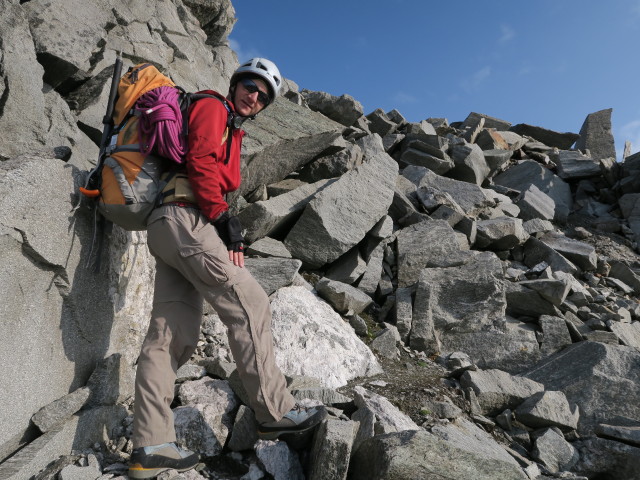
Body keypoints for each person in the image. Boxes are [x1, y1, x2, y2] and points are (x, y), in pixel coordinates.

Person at [128, 58, 327, 479]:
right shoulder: (213, 107)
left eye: (263, 95)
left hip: (168, 225)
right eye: (250, 86)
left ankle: (151, 445)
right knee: (250, 302)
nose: (253, 96)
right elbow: (199, 159)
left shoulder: (232, 129)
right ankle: (274, 410)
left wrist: (219, 219)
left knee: (169, 334)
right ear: (236, 83)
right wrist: (223, 219)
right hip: (186, 219)